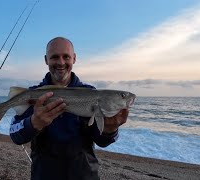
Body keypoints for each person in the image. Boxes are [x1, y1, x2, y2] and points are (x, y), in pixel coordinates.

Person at [10, 37, 129, 180]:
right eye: (54, 57)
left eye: (66, 57)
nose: (61, 62)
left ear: (74, 58)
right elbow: (15, 135)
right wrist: (34, 123)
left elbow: (102, 142)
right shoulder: (33, 95)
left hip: (85, 175)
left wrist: (110, 130)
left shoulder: (91, 93)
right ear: (46, 60)